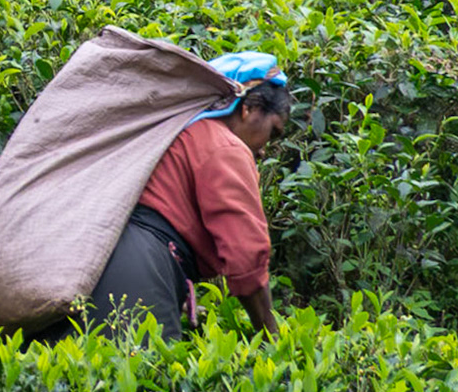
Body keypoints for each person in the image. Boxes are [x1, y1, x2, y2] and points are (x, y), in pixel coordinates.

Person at [35, 52, 291, 342]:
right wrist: (271, 335)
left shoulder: (179, 133)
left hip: (98, 261)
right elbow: (246, 257)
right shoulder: (225, 146)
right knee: (140, 380)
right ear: (249, 108)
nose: (265, 150)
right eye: (273, 132)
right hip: (139, 268)